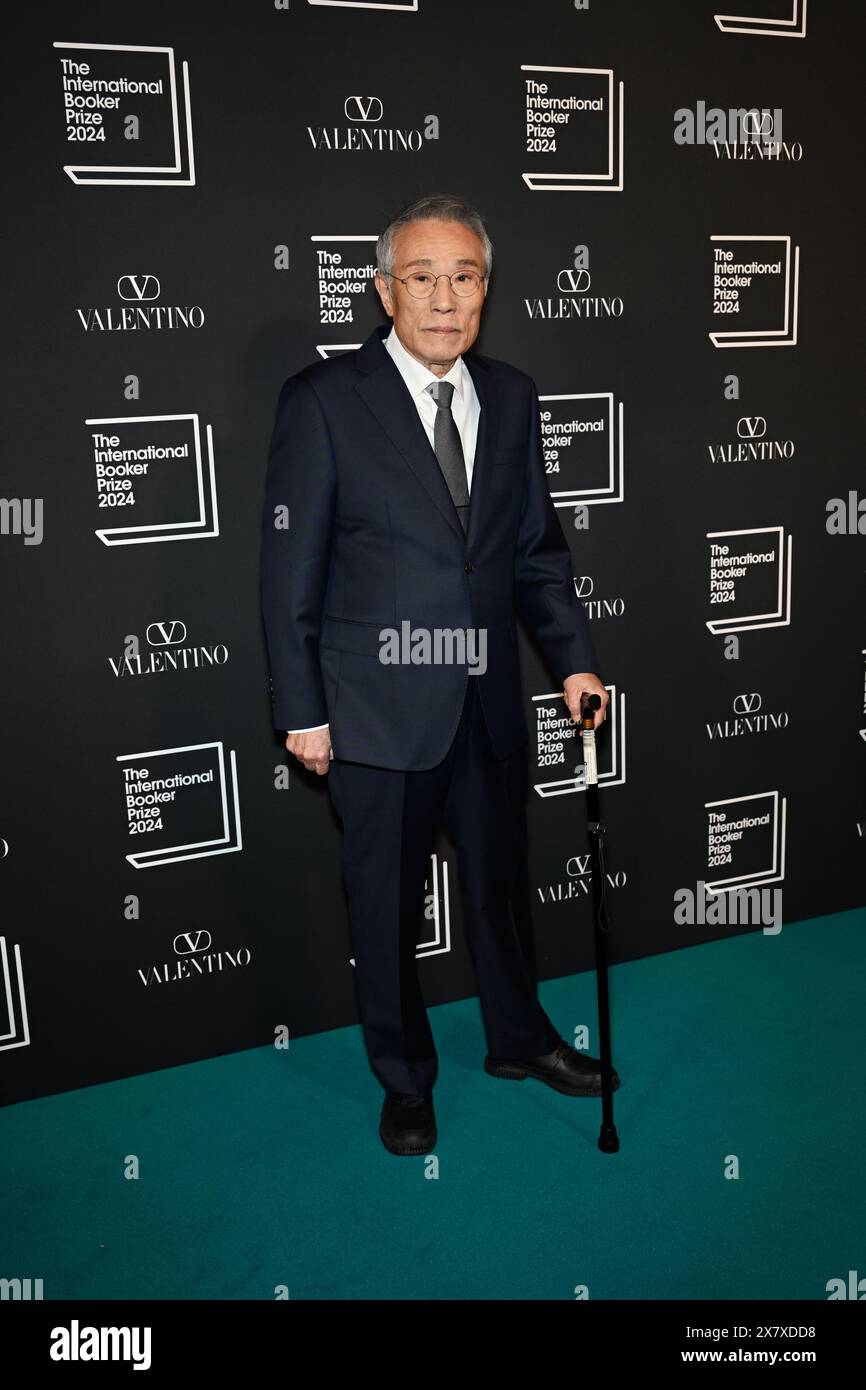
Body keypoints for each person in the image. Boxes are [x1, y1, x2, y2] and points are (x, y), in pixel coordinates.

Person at [260, 192, 619, 1156]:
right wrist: (301, 707)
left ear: (486, 289)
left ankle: (517, 1039)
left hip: (488, 701)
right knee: (383, 904)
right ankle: (405, 1079)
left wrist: (574, 664)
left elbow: (535, 553)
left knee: (502, 884)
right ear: (385, 290)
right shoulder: (325, 399)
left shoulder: (512, 395)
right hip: (375, 711)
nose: (444, 298)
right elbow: (289, 570)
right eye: (422, 277)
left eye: (464, 277)